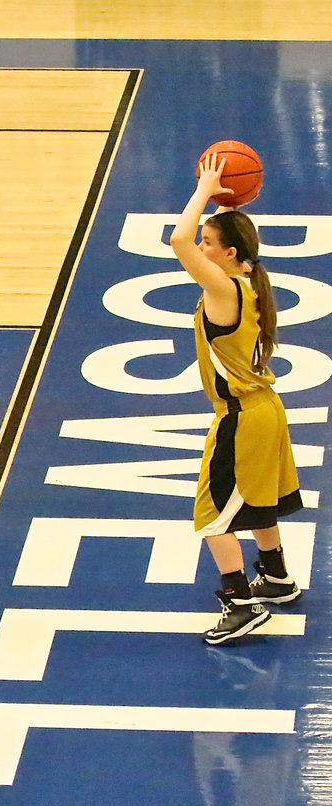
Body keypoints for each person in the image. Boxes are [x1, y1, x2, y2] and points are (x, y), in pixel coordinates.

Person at [169, 152, 303, 645]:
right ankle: (276, 577)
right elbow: (190, 241)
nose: (200, 248)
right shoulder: (247, 282)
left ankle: (240, 602)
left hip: (241, 416)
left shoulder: (223, 288)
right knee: (259, 502)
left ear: (227, 254)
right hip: (266, 411)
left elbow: (178, 239)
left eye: (210, 243)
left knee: (212, 514)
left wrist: (206, 187)